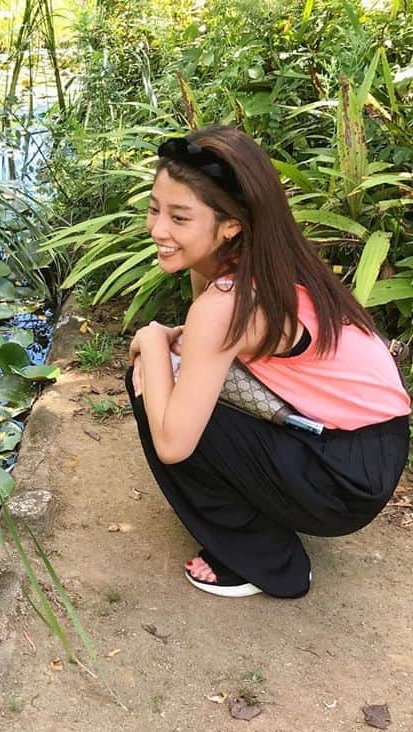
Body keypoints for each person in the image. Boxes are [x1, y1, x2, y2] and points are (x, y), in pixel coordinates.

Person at [125, 125, 410, 598]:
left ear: (231, 225)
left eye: (179, 217)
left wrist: (153, 340)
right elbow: (217, 343)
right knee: (172, 373)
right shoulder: (271, 261)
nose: (158, 229)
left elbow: (173, 444)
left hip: (345, 480)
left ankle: (266, 560)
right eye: (155, 209)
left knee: (148, 380)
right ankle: (268, 512)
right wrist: (177, 343)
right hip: (370, 447)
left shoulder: (227, 303)